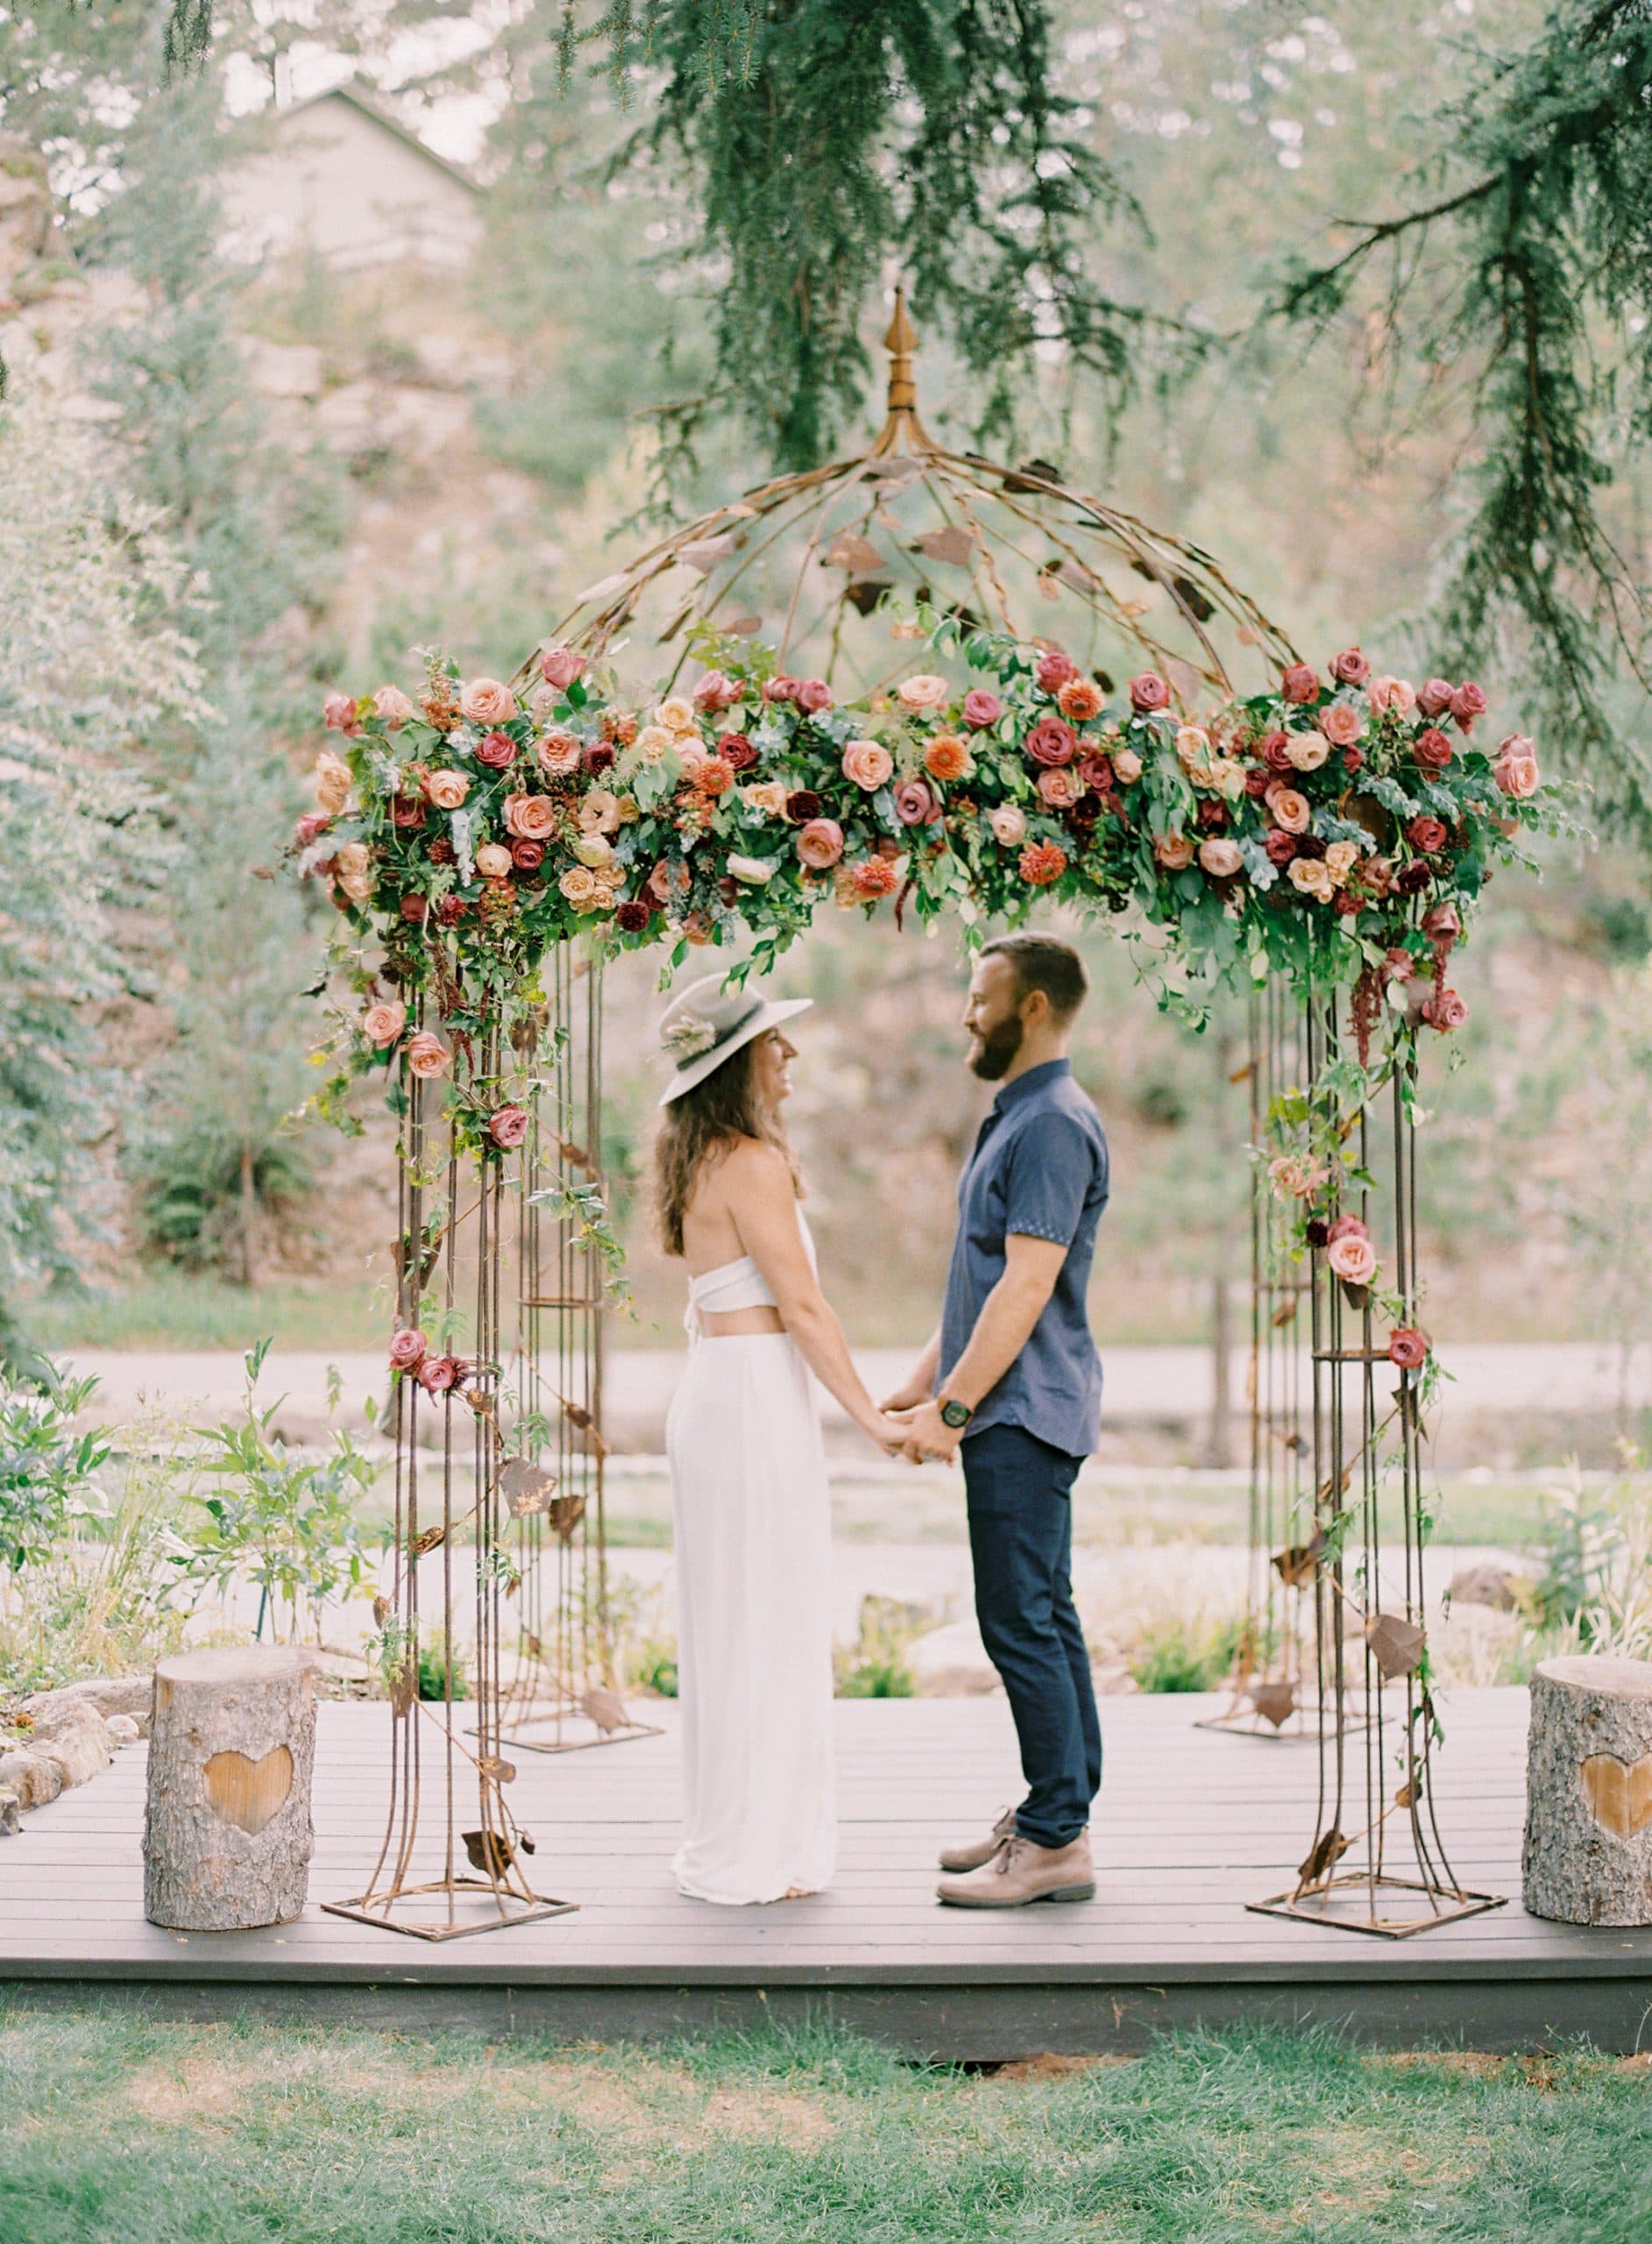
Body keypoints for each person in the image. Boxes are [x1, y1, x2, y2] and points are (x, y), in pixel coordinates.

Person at [656, 973, 899, 1906]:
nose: (788, 1053)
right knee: (763, 1615)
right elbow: (801, 1305)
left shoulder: (697, 1157)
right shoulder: (749, 1162)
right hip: (750, 1397)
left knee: (737, 1619)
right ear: (734, 1063)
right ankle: (758, 1843)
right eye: (772, 1041)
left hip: (722, 1390)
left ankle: (749, 1830)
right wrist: (871, 1416)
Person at [884, 933, 1110, 1909]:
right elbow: (980, 1281)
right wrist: (920, 1384)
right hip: (1011, 1404)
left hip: (1020, 1412)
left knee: (1018, 1621)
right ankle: (1054, 1810)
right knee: (1042, 1615)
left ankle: (1057, 1840)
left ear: (1030, 1007)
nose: (965, 1014)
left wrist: (955, 1409)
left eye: (980, 997)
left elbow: (1025, 1285)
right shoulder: (1018, 1116)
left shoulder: (1052, 1123)